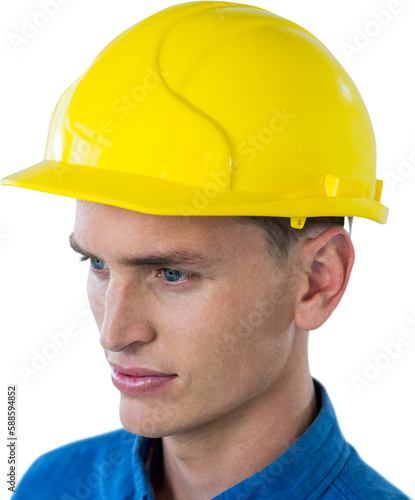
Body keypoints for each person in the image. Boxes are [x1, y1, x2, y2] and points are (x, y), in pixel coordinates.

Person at [1, 1, 409, 499]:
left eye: (172, 274)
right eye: (98, 264)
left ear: (316, 280)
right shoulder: (54, 485)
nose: (115, 333)